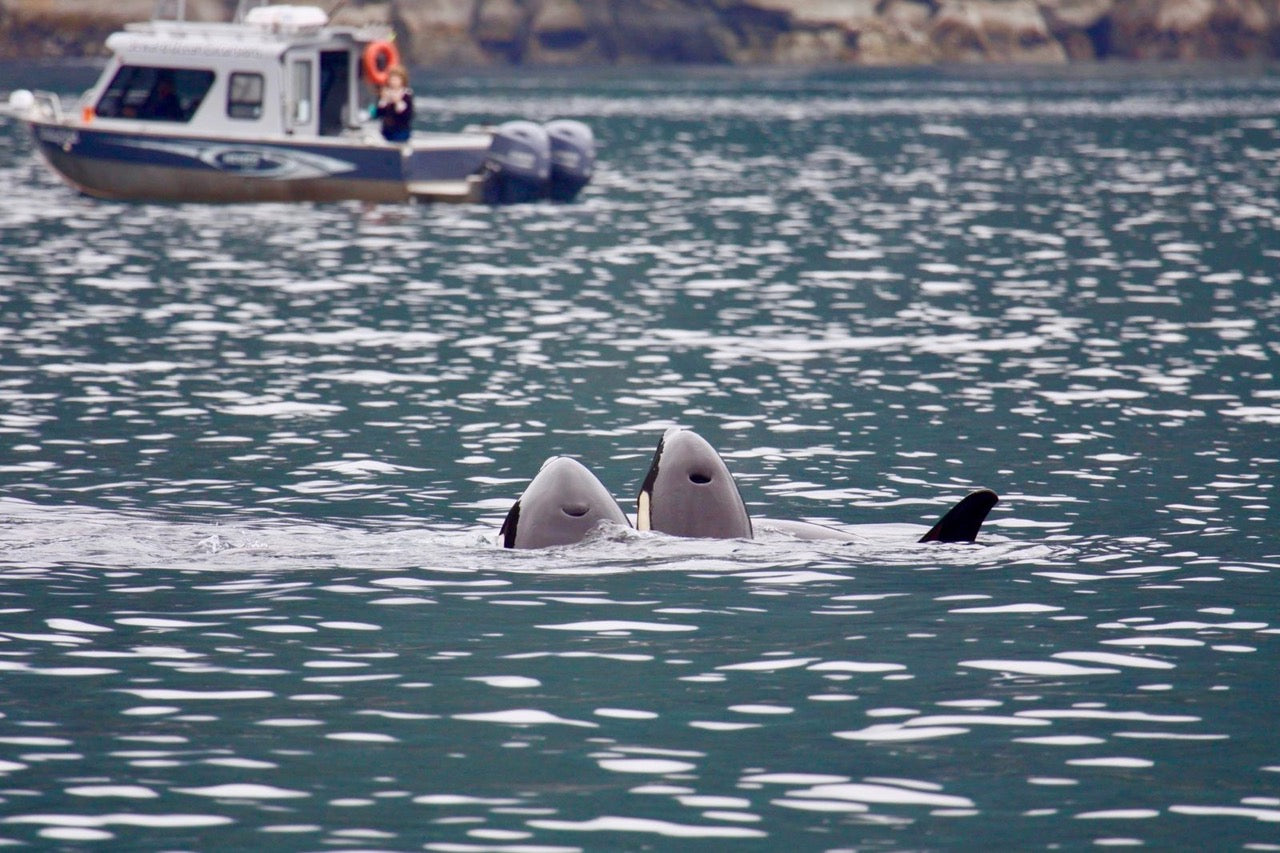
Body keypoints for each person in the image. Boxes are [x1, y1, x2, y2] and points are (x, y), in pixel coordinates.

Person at [375, 65, 413, 142]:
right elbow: (379, 113)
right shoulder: (386, 93)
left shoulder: (406, 95)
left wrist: (398, 102)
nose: (393, 82)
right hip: (387, 130)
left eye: (396, 79)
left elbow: (407, 115)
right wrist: (383, 100)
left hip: (401, 130)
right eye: (392, 79)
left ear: (402, 80)